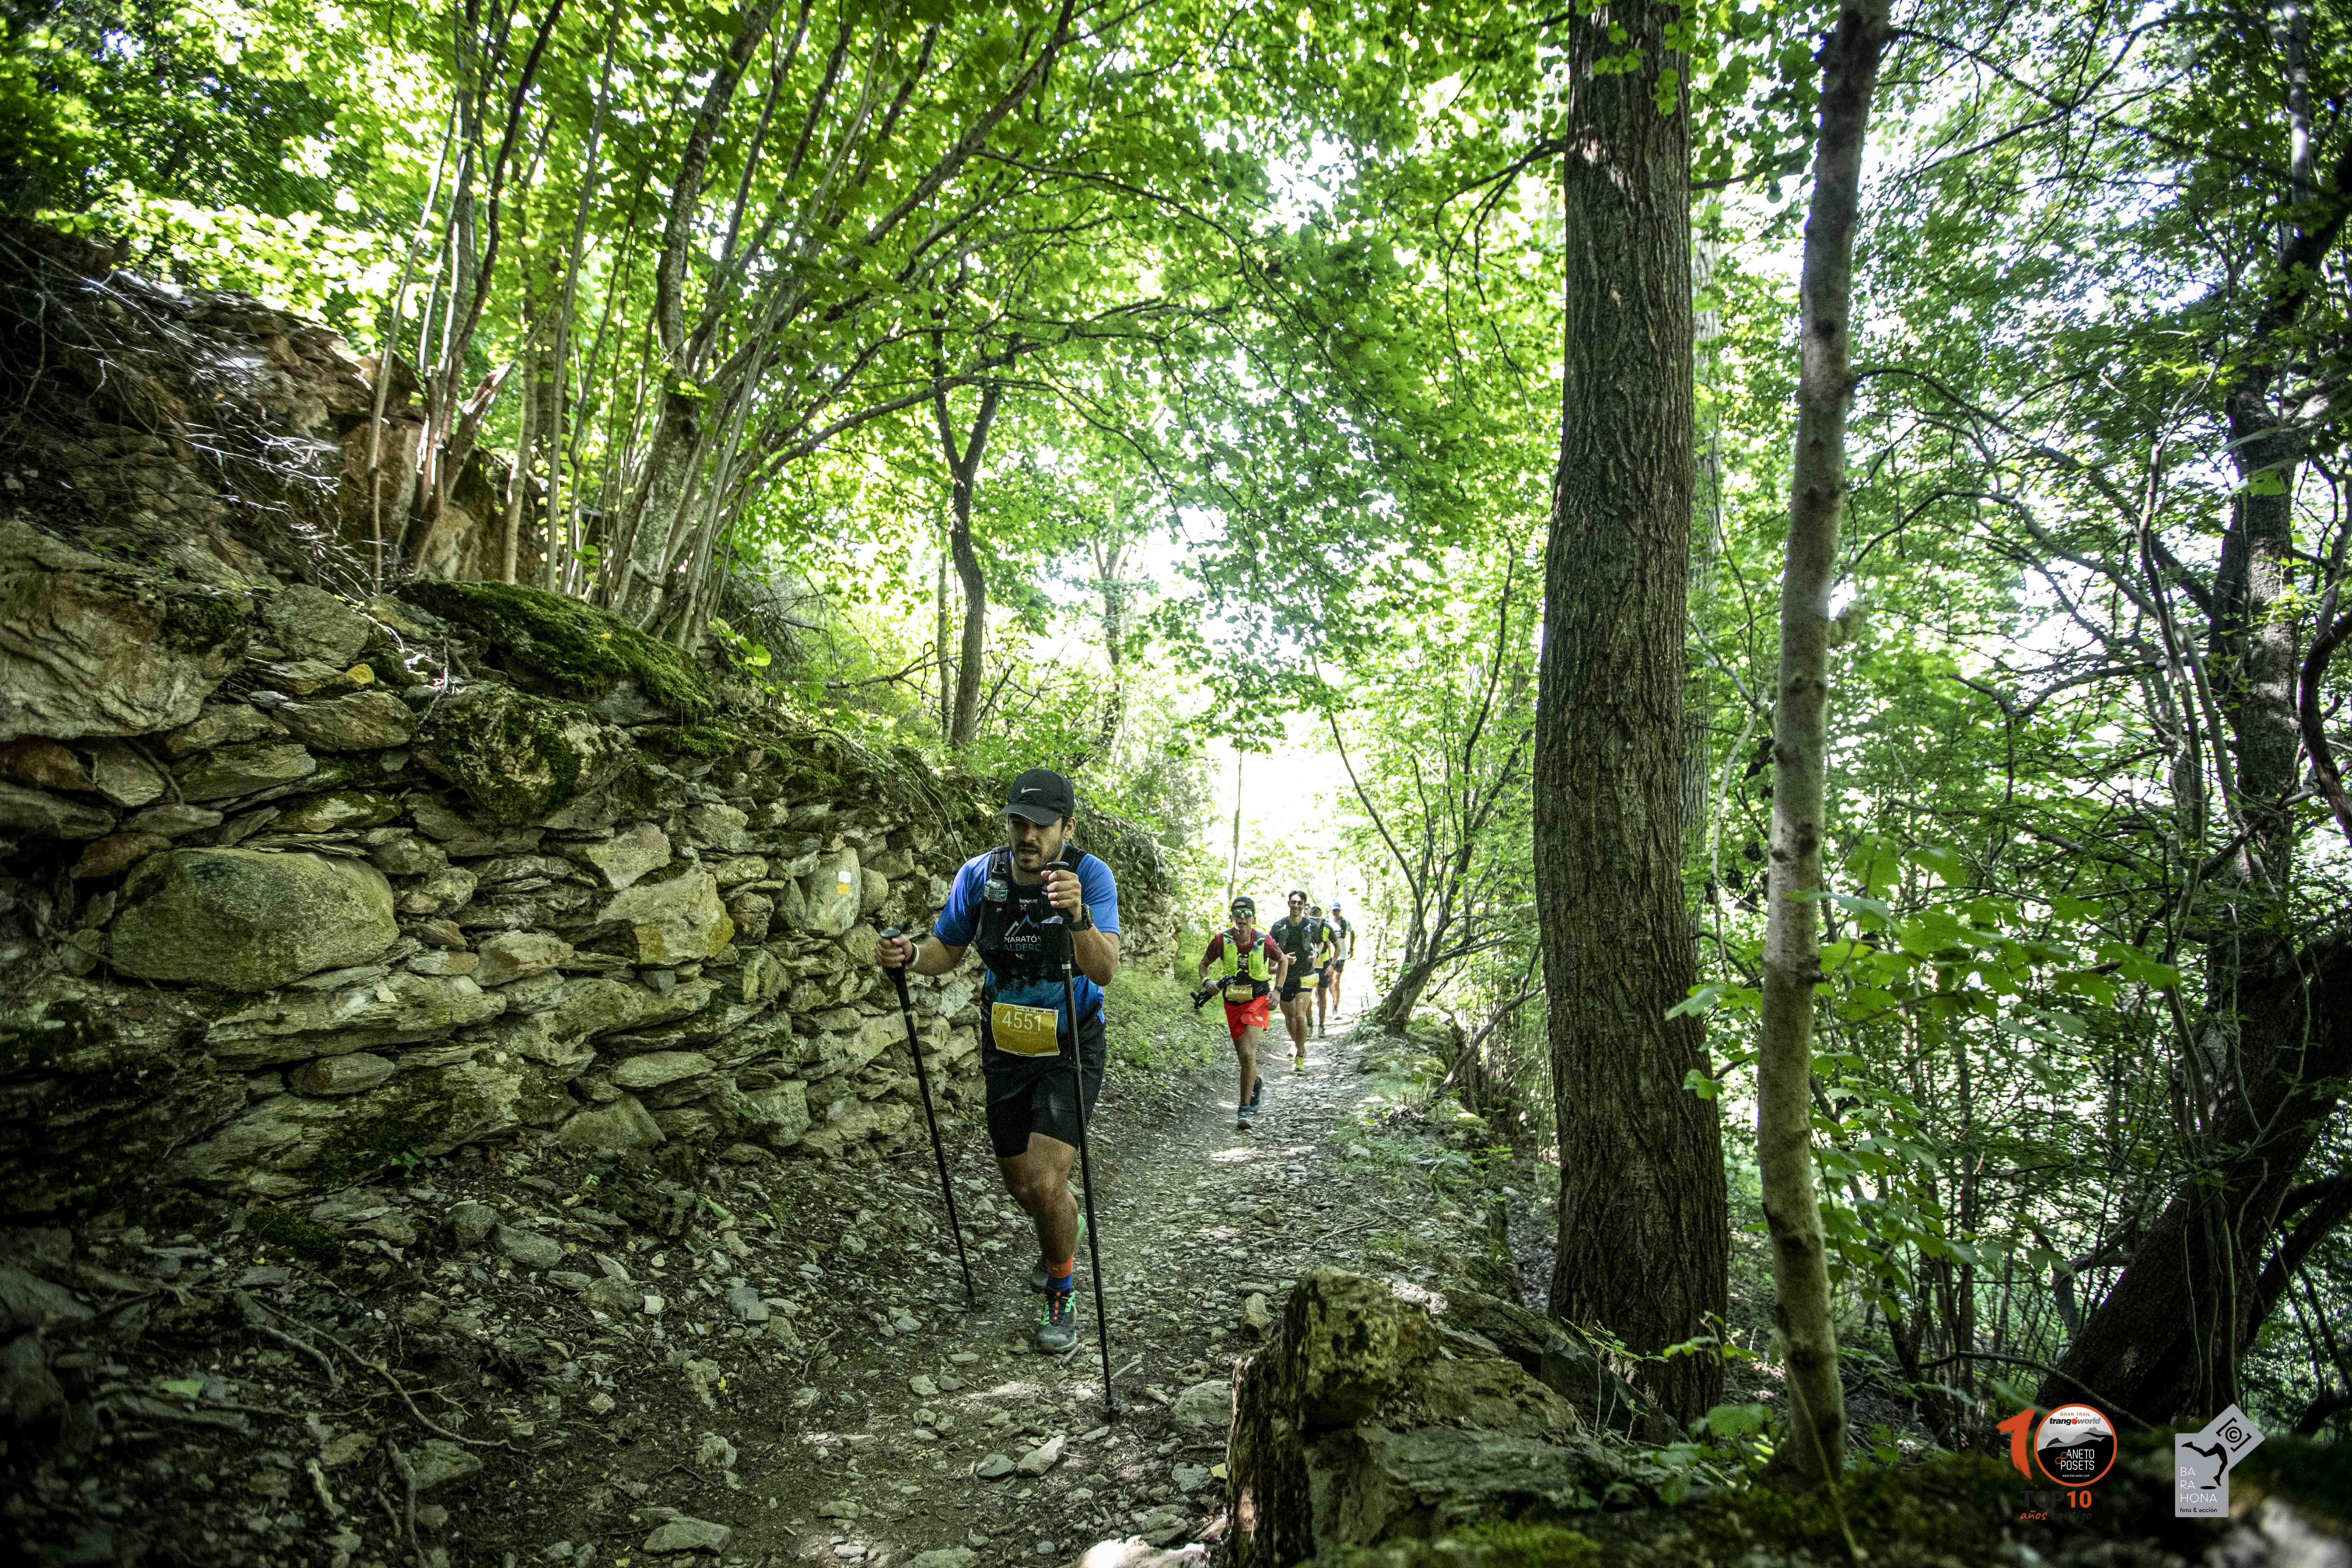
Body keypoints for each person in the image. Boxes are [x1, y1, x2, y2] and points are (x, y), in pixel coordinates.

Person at [874, 768, 1120, 1355]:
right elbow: (947, 949)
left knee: (1045, 1179)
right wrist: (910, 956)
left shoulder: (1089, 876)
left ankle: (1061, 1291)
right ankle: (1064, 1227)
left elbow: (1105, 969)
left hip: (1071, 1043)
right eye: (1018, 823)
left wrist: (1079, 919)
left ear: (1067, 828)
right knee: (1022, 1188)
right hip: (1006, 1043)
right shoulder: (980, 876)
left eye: (1042, 826)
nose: (1028, 836)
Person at [1198, 896, 1287, 1134]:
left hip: (1258, 1000)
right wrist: (1207, 982)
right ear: (1232, 918)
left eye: (1247, 914)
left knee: (1248, 1053)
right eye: (1238, 914)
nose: (1242, 918)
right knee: (1244, 1057)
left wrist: (1277, 991)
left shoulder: (1264, 941)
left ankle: (1244, 1110)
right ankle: (1255, 1083)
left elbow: (1283, 961)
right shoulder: (1221, 941)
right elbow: (1204, 965)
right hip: (1233, 1003)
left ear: (1253, 918)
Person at [1267, 891, 1324, 1071]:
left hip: (1306, 974)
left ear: (1304, 906)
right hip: (1285, 978)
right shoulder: (1279, 927)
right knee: (1290, 1019)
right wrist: (1283, 961)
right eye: (1294, 902)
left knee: (1300, 1016)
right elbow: (1269, 956)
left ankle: (1300, 1056)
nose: (1297, 906)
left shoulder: (1311, 926)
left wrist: (1316, 954)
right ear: (1289, 904)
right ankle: (1300, 1046)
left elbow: (1321, 943)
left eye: (1300, 903)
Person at [1323, 899, 1356, 1025]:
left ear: (1340, 911)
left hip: (1341, 956)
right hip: (1327, 956)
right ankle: (1333, 1000)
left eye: (1338, 910)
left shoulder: (1345, 923)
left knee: (1336, 981)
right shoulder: (1326, 922)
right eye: (1334, 911)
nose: (1336, 913)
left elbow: (1353, 933)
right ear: (1330, 911)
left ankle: (1335, 1008)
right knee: (1329, 981)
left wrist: (1352, 948)